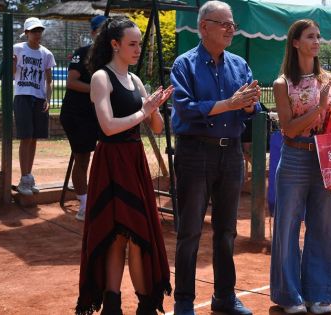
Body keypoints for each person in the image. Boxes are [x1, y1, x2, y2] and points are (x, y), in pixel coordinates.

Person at [75, 17, 173, 315]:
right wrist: (144, 110)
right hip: (111, 161)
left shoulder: (136, 80)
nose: (138, 49)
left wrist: (154, 108)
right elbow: (107, 127)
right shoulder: (100, 78)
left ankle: (145, 305)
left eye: (140, 43)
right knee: (114, 235)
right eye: (132, 43)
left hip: (133, 161)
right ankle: (112, 305)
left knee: (139, 236)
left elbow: (155, 128)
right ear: (114, 44)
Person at [170, 1, 261, 314]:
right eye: (223, 24)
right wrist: (231, 103)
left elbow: (252, 110)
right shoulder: (184, 64)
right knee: (190, 230)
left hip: (231, 152)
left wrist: (249, 104)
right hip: (195, 151)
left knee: (226, 230)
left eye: (232, 24)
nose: (230, 29)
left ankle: (224, 297)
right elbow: (184, 108)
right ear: (204, 27)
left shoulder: (239, 64)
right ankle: (184, 301)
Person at [270, 19, 331, 315]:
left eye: (318, 36)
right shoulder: (283, 84)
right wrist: (319, 108)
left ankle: (319, 295)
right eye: (310, 36)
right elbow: (289, 129)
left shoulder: (328, 79)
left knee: (324, 226)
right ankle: (289, 295)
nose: (317, 41)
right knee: (287, 227)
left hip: (324, 158)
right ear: (295, 43)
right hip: (293, 158)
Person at [60, 15, 107, 221]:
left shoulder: (113, 56)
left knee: (106, 155)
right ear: (93, 32)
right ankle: (85, 204)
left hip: (98, 114)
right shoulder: (82, 53)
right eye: (101, 30)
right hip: (77, 114)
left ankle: (99, 198)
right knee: (82, 158)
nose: (104, 34)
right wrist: (99, 90)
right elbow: (72, 82)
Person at [13, 17, 56, 196]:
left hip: (39, 98)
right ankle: (23, 179)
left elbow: (49, 79)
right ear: (26, 33)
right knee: (26, 137)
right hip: (22, 96)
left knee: (35, 138)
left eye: (39, 30)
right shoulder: (17, 48)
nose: (37, 34)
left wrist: (48, 98)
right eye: (33, 31)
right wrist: (13, 63)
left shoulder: (46, 53)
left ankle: (29, 177)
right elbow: (12, 73)